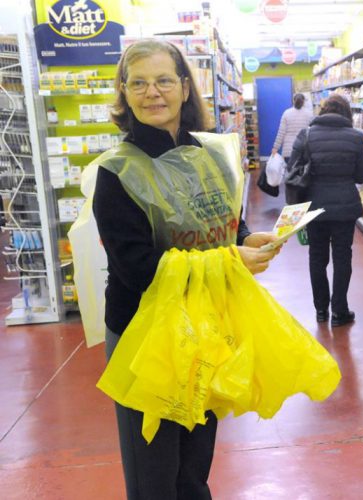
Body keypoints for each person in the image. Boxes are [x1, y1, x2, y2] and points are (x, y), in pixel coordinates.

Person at [93, 39, 280, 499]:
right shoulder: (116, 172)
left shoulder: (211, 157)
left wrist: (243, 240)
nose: (151, 92)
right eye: (138, 83)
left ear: (182, 87)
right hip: (144, 336)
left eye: (162, 80)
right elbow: (138, 269)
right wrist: (228, 259)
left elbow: (222, 229)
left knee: (195, 464)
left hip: (205, 328)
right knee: (153, 473)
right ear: (124, 92)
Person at [287, 94, 363, 327]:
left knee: (317, 257)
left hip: (314, 207)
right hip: (345, 207)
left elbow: (292, 169)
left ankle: (321, 310)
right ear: (347, 114)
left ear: (322, 111)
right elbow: (362, 175)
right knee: (343, 257)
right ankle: (339, 311)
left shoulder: (306, 135)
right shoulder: (356, 137)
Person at [271, 93, 313, 163]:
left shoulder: (286, 113)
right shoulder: (309, 114)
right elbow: (312, 132)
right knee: (302, 172)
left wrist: (275, 148)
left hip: (289, 151)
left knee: (289, 172)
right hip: (303, 149)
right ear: (304, 102)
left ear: (293, 101)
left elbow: (281, 133)